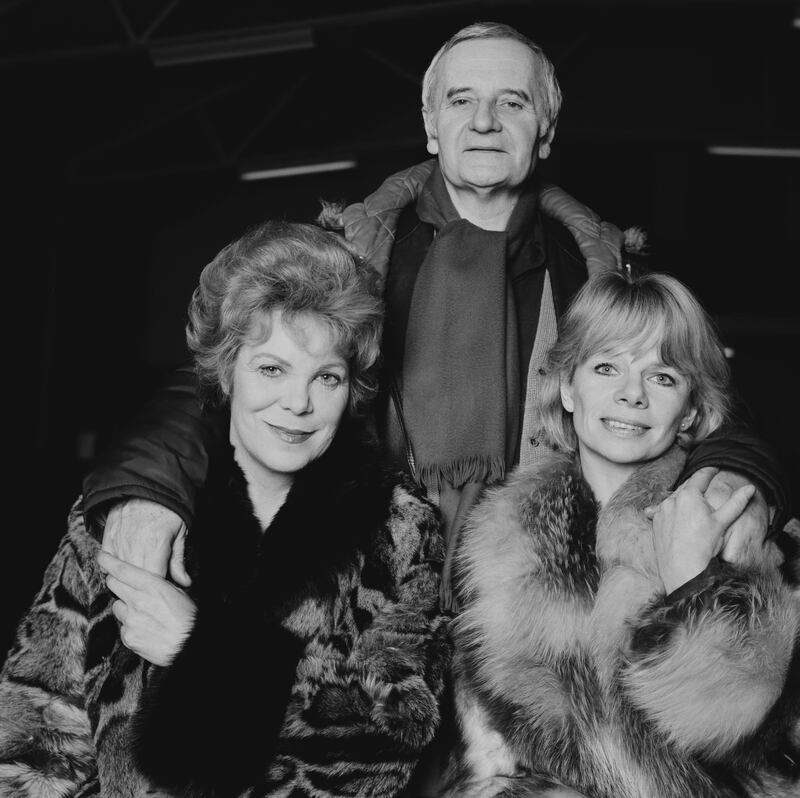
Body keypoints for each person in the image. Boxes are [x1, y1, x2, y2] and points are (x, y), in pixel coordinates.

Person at [79, 22, 787, 614]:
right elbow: (216, 379)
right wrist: (147, 487)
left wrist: (730, 482)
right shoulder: (346, 261)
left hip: (542, 603)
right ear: (430, 123)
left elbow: (716, 408)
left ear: (545, 131)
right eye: (461, 100)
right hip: (360, 598)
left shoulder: (600, 275)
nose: (483, 121)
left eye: (512, 102)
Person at [0, 221, 451, 797]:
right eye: (272, 369)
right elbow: (34, 734)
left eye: (327, 378)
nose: (298, 403)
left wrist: (204, 650)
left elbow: (394, 735)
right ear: (226, 369)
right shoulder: (130, 515)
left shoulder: (402, 529)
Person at [442, 269, 800, 798]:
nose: (631, 394)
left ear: (691, 413)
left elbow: (765, 747)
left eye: (662, 377)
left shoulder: (750, 530)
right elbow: (493, 764)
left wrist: (693, 584)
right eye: (606, 366)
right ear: (567, 387)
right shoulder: (498, 547)